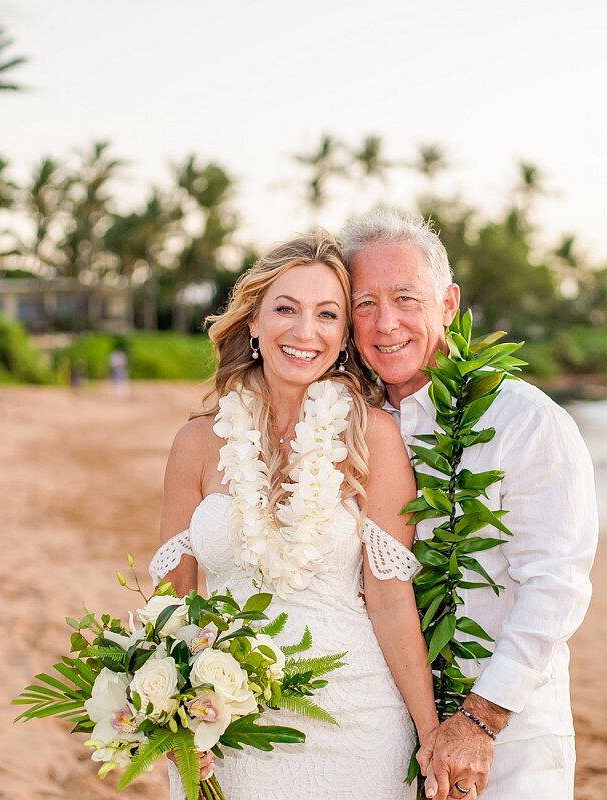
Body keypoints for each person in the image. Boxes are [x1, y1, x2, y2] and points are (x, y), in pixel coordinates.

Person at [149, 231, 440, 799]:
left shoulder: (373, 437)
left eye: (327, 314)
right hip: (231, 726)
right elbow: (172, 600)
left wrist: (429, 735)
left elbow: (390, 598)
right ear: (253, 321)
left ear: (342, 336)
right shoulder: (196, 444)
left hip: (359, 725)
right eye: (286, 309)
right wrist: (174, 723)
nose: (305, 332)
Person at [340, 208, 598, 800]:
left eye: (406, 298)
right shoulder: (344, 426)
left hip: (510, 730)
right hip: (381, 730)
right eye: (364, 304)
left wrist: (480, 719)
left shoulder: (526, 421)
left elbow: (555, 587)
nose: (386, 324)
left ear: (449, 304)